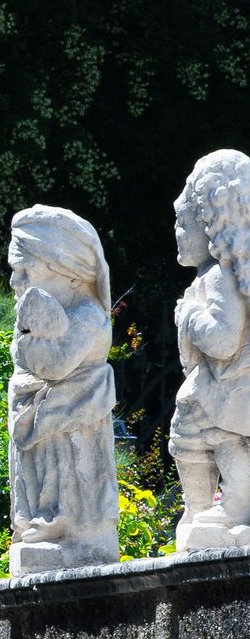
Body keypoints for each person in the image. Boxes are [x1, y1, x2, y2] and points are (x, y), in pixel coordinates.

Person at [7, 205, 118, 573]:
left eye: (25, 269)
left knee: (69, 470)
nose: (14, 281)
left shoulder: (89, 316)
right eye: (14, 270)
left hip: (73, 415)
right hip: (39, 420)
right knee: (41, 469)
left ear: (66, 270)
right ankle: (42, 516)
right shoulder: (33, 322)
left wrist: (35, 337)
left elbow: (54, 365)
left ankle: (71, 526)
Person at [169, 150, 250, 549]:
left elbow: (223, 339)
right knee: (189, 437)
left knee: (221, 436)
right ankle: (199, 507)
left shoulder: (220, 275)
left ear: (208, 221)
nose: (177, 232)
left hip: (230, 389)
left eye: (183, 223)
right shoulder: (212, 274)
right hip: (215, 387)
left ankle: (234, 505)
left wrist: (189, 317)